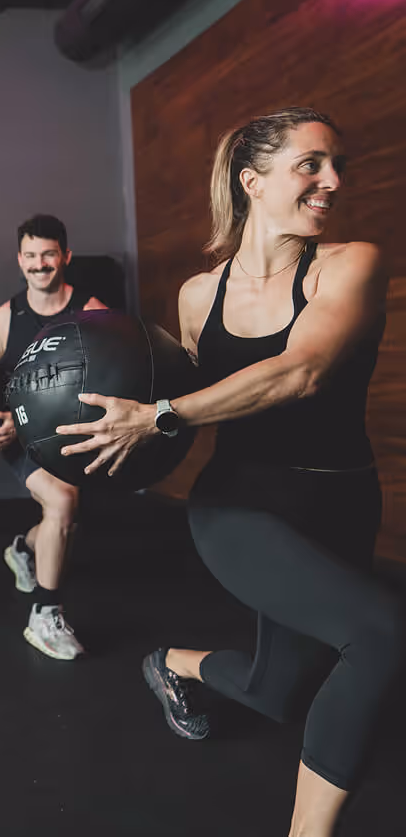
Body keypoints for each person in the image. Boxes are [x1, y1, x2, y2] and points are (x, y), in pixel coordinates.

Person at [56, 108, 403, 836]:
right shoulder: (196, 297)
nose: (332, 181)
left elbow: (301, 371)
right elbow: (158, 408)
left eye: (337, 164)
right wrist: (49, 437)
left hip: (340, 496)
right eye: (311, 164)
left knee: (278, 692)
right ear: (253, 180)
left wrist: (161, 414)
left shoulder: (353, 264)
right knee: (382, 636)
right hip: (241, 506)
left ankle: (174, 663)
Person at [0, 214, 107, 660]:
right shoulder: (3, 318)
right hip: (19, 435)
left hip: (70, 433)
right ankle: (44, 615)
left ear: (65, 256)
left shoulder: (93, 314)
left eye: (48, 254)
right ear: (19, 259)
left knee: (66, 518)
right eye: (30, 255)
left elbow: (112, 375)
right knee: (64, 504)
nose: (39, 264)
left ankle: (21, 549)